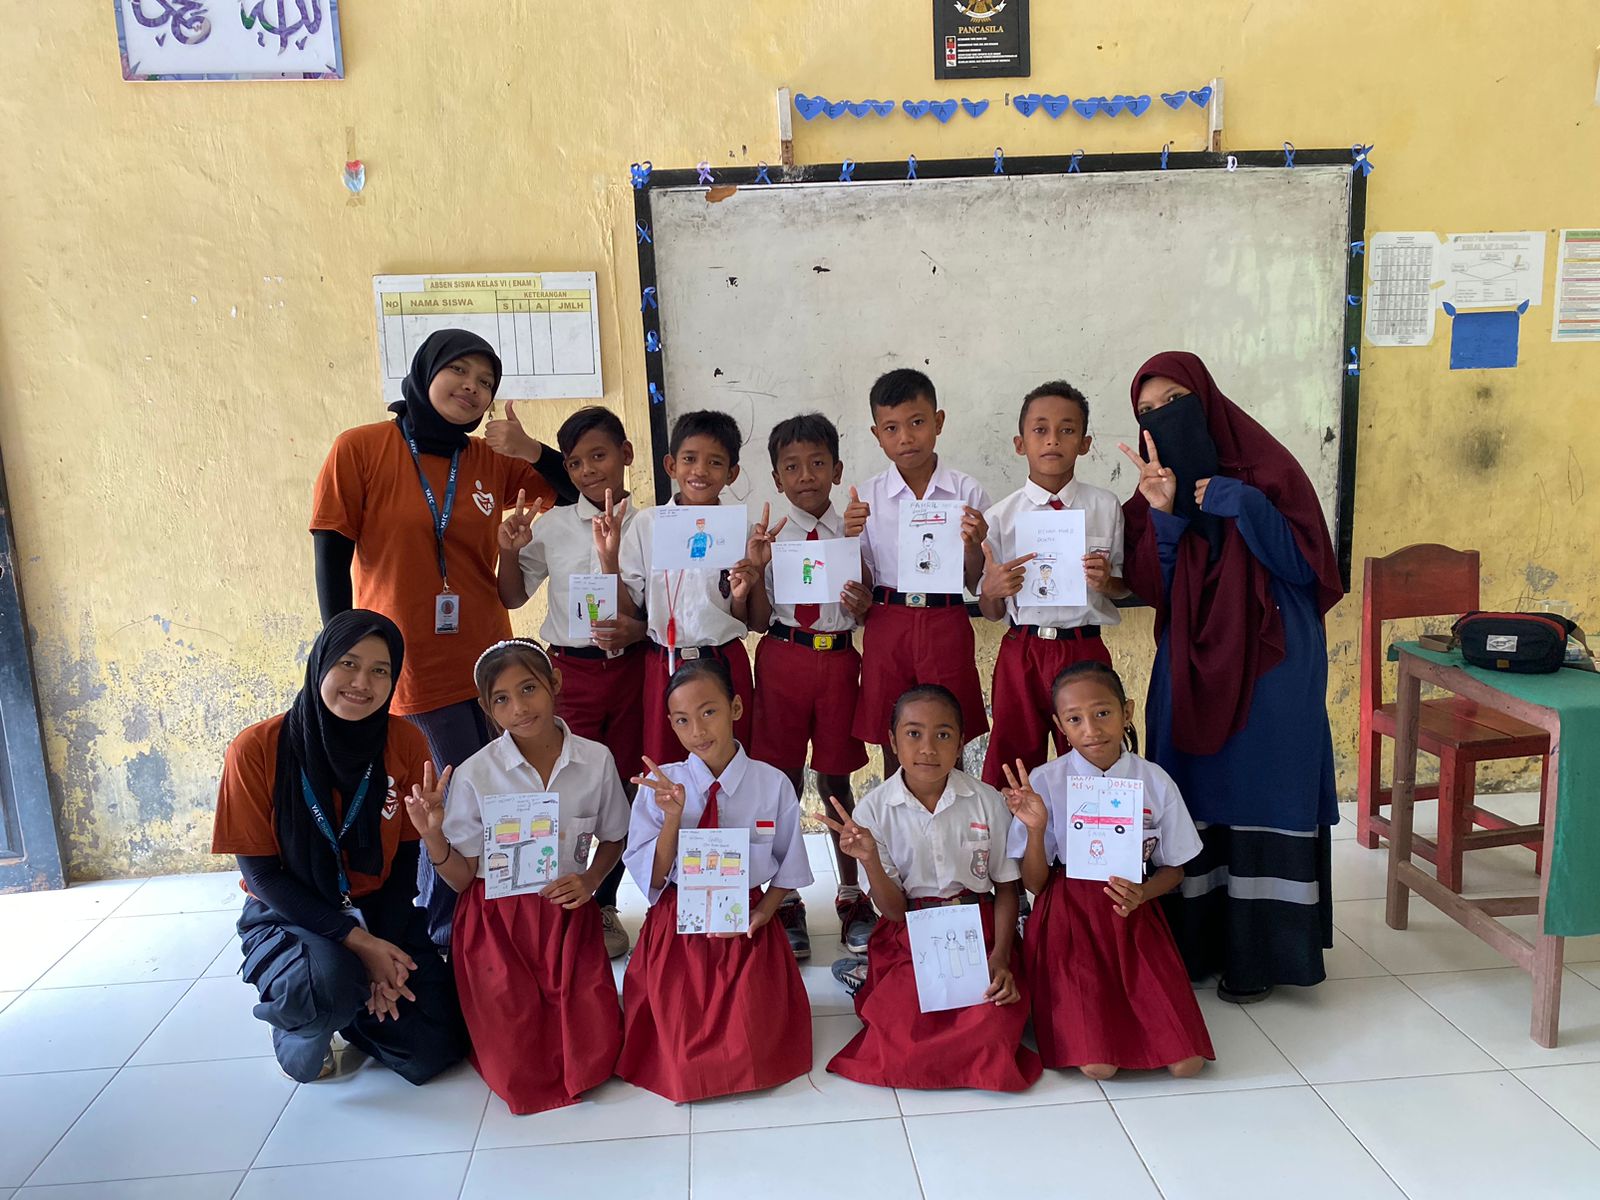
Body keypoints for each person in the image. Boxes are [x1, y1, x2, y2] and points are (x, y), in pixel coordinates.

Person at [311, 328, 573, 947]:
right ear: (426, 372)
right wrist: (339, 649)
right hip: (410, 663)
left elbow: (569, 488)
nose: (472, 388)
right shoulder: (361, 448)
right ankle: (446, 935)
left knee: (504, 795)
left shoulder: (487, 461)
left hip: (489, 662)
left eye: (485, 382)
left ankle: (501, 924)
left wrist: (531, 449)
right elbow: (330, 550)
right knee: (445, 803)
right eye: (459, 371)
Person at [1118, 351, 1343, 1004]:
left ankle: (1262, 954)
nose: (1163, 418)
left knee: (1267, 788)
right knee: (1190, 787)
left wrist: (1246, 505)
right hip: (1189, 660)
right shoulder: (1153, 490)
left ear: (1207, 400)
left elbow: (1307, 570)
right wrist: (1164, 514)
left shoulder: (1270, 472)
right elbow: (1156, 588)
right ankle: (1195, 944)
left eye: (1174, 402)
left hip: (1275, 660)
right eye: (1148, 413)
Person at [211, 611, 465, 1084]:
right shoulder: (256, 749)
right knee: (323, 988)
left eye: (380, 670)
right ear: (320, 664)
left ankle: (354, 1006)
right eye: (348, 663)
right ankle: (307, 1023)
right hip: (290, 911)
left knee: (437, 1046)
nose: (362, 682)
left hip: (379, 907)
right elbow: (262, 876)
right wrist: (362, 946)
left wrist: (383, 954)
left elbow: (405, 865)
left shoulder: (404, 741)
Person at [407, 639, 627, 1114]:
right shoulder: (474, 774)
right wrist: (432, 836)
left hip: (566, 914)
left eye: (529, 688)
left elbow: (615, 837)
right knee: (519, 1061)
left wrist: (591, 882)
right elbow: (462, 879)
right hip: (497, 924)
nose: (520, 708)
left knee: (595, 1052)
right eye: (502, 699)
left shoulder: (596, 761)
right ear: (487, 708)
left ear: (555, 683)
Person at [1001, 661, 1213, 1079]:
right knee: (1100, 1066)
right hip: (1068, 917)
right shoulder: (1046, 781)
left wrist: (1144, 893)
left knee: (1187, 1064)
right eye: (1074, 719)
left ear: (1127, 711)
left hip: (1132, 912)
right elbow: (1036, 884)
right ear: (1059, 726)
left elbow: (1175, 869)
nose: (1091, 730)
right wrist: (1037, 828)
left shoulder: (1154, 780)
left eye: (1102, 713)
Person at [824, 685, 1041, 1092]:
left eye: (943, 734)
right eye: (913, 733)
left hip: (980, 929)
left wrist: (1000, 957)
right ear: (892, 742)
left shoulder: (986, 800)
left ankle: (870, 979)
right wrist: (869, 860)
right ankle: (870, 978)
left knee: (993, 1026)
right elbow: (893, 911)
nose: (927, 748)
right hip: (910, 930)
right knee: (899, 1037)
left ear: (960, 743)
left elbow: (1007, 889)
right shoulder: (874, 809)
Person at [616, 658, 814, 1102]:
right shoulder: (660, 786)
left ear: (736, 708)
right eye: (682, 720)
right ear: (670, 724)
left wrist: (765, 912)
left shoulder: (772, 784)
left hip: (748, 923)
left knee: (753, 1043)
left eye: (709, 712)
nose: (698, 731)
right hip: (677, 926)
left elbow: (789, 867)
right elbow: (655, 878)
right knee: (678, 1046)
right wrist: (672, 817)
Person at [497, 405, 646, 958]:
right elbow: (513, 595)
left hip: (632, 671)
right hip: (568, 675)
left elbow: (661, 609)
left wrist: (636, 628)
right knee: (563, 787)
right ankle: (554, 901)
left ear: (626, 454)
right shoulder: (554, 525)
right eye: (576, 463)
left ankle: (603, 902)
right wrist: (508, 552)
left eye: (599, 456)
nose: (588, 471)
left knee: (624, 787)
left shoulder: (650, 526)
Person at [747, 414, 877, 961]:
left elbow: (869, 606)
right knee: (779, 780)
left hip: (839, 660)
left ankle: (850, 893)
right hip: (783, 657)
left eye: (818, 463)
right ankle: (787, 899)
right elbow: (756, 619)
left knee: (836, 777)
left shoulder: (856, 530)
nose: (806, 476)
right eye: (792, 467)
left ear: (837, 470)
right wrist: (755, 571)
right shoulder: (768, 537)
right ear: (777, 478)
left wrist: (863, 602)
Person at [978, 380, 1128, 787]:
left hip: (1084, 647)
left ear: (1085, 443)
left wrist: (1107, 582)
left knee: (1093, 756)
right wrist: (991, 591)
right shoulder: (1000, 517)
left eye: (1067, 430)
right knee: (1013, 758)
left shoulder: (1105, 507)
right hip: (1023, 649)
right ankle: (1012, 831)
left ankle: (1089, 829)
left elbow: (1123, 586)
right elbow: (991, 611)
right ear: (1020, 443)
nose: (1052, 440)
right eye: (1040, 430)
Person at [845, 369, 991, 778]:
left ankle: (953, 814)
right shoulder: (867, 496)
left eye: (917, 422)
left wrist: (973, 544)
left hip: (946, 618)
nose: (906, 437)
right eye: (891, 428)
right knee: (894, 732)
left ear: (938, 422)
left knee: (948, 728)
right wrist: (849, 539)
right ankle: (898, 815)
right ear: (877, 435)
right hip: (887, 620)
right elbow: (865, 582)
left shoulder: (967, 492)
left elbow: (975, 581)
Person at [611, 409, 774, 764]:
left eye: (715, 462)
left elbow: (754, 621)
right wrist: (608, 559)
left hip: (723, 661)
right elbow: (628, 608)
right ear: (670, 465)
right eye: (689, 459)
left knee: (730, 765)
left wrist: (751, 582)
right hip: (663, 663)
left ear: (731, 474)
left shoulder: (743, 533)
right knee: (666, 767)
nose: (700, 471)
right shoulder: (647, 525)